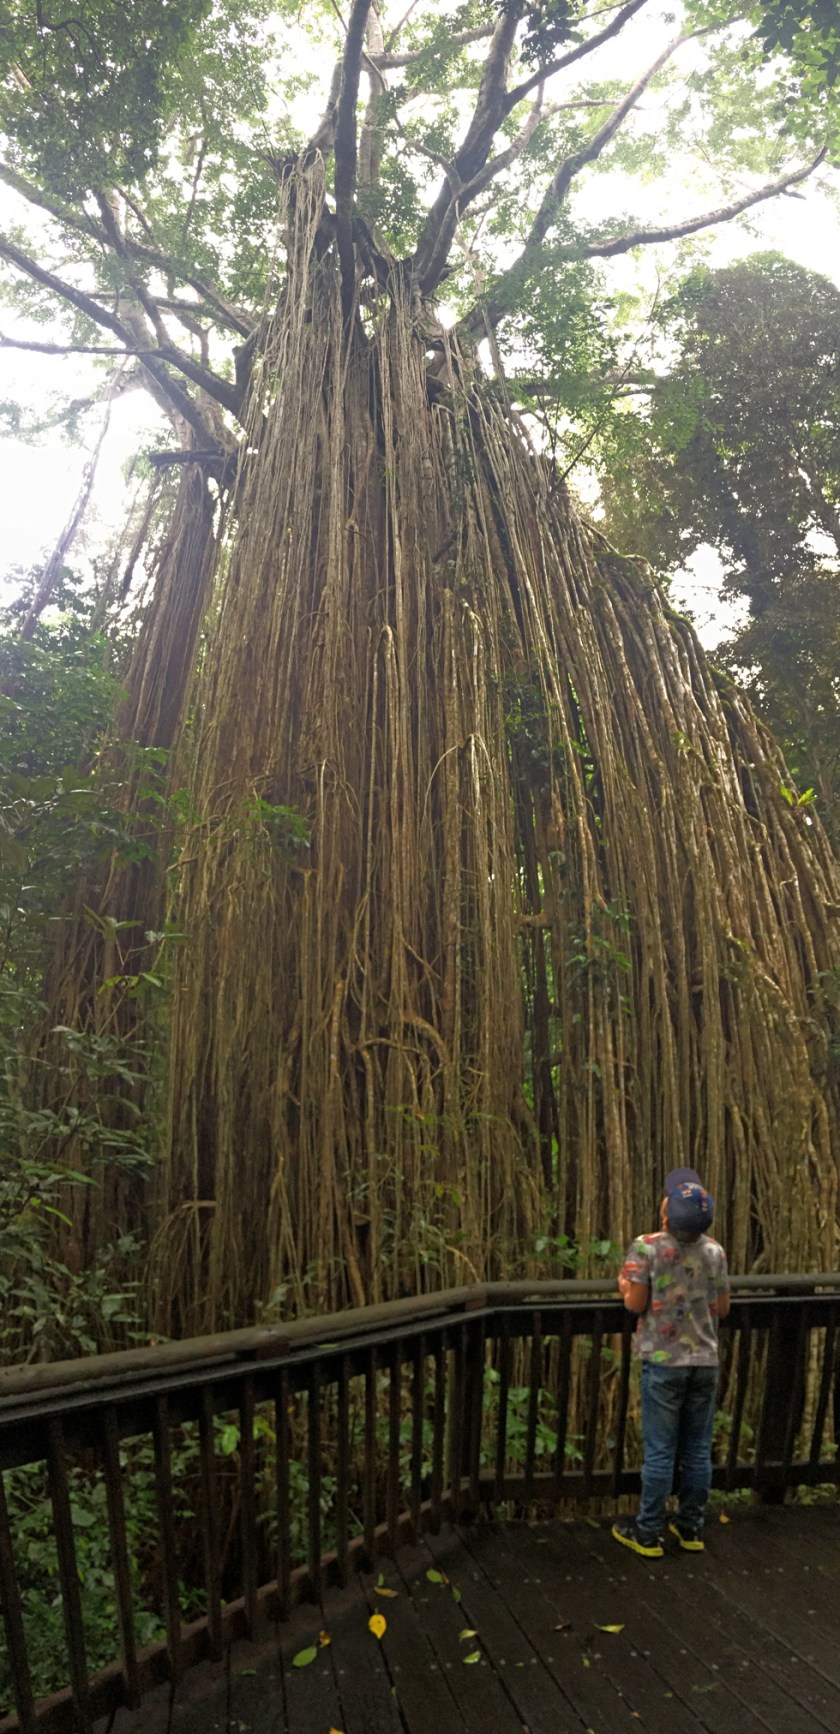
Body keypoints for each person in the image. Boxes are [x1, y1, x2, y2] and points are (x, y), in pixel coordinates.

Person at [612, 1166, 730, 1557]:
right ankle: (691, 1526)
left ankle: (648, 1532)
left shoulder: (646, 1247)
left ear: (666, 1218)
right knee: (697, 1449)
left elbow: (635, 1304)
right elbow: (722, 1307)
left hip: (663, 1364)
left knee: (661, 1450)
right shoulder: (714, 1251)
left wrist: (624, 1284)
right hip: (705, 1361)